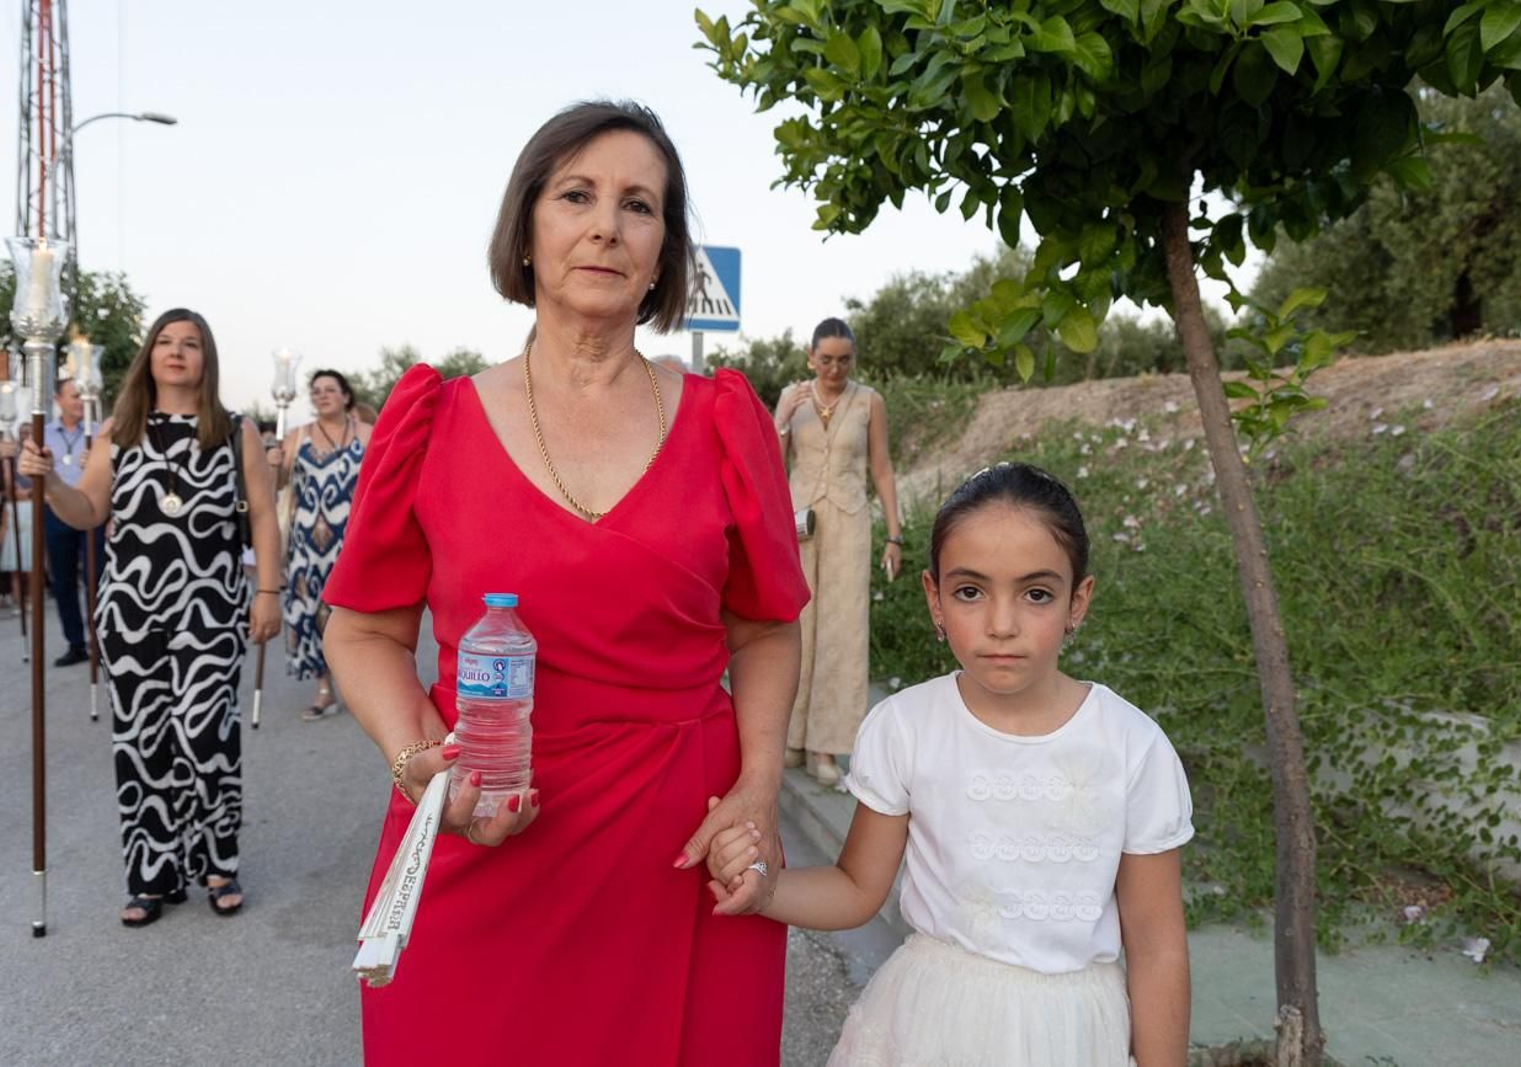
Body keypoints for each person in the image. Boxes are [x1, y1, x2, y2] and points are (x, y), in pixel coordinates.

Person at [321, 100, 806, 1065]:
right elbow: (362, 633)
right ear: (528, 229)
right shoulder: (435, 418)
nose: (605, 225)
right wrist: (423, 765)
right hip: (482, 822)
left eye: (640, 206)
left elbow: (764, 632)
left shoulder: (724, 418)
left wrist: (757, 787)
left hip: (682, 848)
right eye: (576, 195)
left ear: (663, 251)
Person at [710, 463, 1194, 1067]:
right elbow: (858, 888)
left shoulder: (1132, 746)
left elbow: (1156, 946)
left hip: (1074, 1037)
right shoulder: (907, 728)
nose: (1001, 624)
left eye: (1036, 593)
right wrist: (766, 888)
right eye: (970, 591)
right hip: (929, 1028)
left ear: (1079, 600)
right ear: (934, 598)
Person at [16, 308, 283, 926]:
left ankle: (218, 860)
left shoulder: (234, 431)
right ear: (149, 355)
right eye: (165, 341)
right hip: (131, 610)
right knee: (142, 739)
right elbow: (86, 510)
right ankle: (153, 874)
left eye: (191, 343)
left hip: (210, 604)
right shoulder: (120, 430)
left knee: (205, 730)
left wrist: (267, 591)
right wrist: (48, 482)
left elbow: (265, 515)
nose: (177, 351)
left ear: (206, 359)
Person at [772, 318, 903, 784]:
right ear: (810, 357)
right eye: (825, 359)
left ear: (854, 358)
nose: (834, 368)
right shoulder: (794, 399)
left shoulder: (870, 402)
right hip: (798, 526)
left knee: (843, 632)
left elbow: (882, 469)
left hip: (848, 523)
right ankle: (790, 737)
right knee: (796, 626)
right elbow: (768, 463)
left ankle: (826, 747)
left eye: (843, 359)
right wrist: (781, 417)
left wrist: (894, 533)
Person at [266, 369, 371, 721]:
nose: (322, 395)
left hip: (353, 538)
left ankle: (361, 686)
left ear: (345, 395)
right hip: (308, 542)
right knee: (310, 612)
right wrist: (275, 466)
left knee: (354, 615)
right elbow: (278, 485)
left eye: (330, 389)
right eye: (316, 391)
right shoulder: (298, 437)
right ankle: (323, 688)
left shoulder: (367, 435)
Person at [42, 376, 106, 666]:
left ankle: (101, 639)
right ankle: (75, 643)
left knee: (95, 576)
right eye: (73, 396)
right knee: (63, 580)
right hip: (56, 511)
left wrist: (97, 461)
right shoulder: (44, 433)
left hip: (90, 508)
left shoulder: (97, 433)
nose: (79, 401)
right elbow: (29, 469)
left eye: (82, 396)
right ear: (58, 400)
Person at [1, 425, 32, 614]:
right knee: (15, 561)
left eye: (28, 433)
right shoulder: (10, 459)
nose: (24, 437)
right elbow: (9, 487)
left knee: (30, 561)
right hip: (13, 508)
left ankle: (30, 598)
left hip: (31, 509)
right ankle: (17, 598)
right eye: (22, 434)